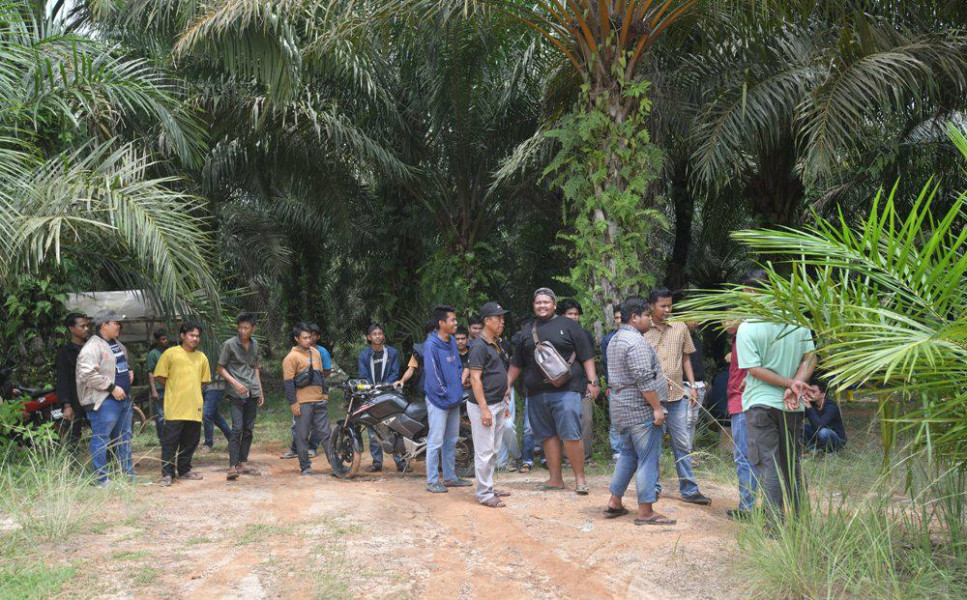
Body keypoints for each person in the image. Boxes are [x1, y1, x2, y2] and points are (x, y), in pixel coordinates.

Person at [508, 288, 597, 494]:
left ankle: (580, 479)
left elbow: (586, 355)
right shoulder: (527, 330)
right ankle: (555, 479)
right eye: (538, 302)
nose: (542, 306)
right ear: (533, 305)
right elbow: (517, 363)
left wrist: (592, 381)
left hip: (567, 389)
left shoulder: (569, 325)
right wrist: (507, 384)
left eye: (546, 302)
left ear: (554, 305)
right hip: (537, 392)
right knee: (547, 435)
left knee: (571, 434)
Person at [737, 316, 820, 521]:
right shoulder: (798, 323)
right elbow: (811, 357)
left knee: (768, 464)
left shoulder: (748, 327)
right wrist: (796, 383)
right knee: (792, 464)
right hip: (791, 405)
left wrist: (789, 383)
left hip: (760, 404)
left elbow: (754, 369)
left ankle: (774, 525)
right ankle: (802, 521)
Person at [603, 296, 675, 525]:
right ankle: (645, 510)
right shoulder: (636, 342)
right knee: (647, 458)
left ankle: (615, 501)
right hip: (640, 409)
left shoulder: (615, 339)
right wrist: (657, 408)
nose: (650, 320)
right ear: (634, 317)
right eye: (646, 315)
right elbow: (644, 381)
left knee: (628, 454)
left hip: (621, 407)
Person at [643, 288, 711, 505]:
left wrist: (692, 386)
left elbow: (686, 360)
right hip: (652, 398)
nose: (667, 310)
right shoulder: (643, 329)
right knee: (652, 445)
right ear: (652, 306)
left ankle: (689, 489)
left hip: (677, 396)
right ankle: (651, 488)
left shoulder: (680, 327)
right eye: (663, 306)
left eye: (670, 306)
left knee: (682, 444)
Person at [76, 310, 135, 486]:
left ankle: (127, 475)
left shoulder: (116, 344)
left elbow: (120, 363)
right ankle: (101, 479)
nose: (119, 326)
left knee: (124, 438)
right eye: (115, 323)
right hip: (104, 401)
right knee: (101, 438)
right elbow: (86, 373)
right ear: (104, 325)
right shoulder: (92, 347)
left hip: (123, 399)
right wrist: (111, 387)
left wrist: (129, 370)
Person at [467, 301, 514, 507]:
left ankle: (489, 486)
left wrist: (504, 395)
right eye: (498, 318)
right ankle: (484, 493)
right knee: (485, 451)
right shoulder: (478, 346)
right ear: (487, 321)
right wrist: (484, 408)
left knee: (494, 450)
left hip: (497, 403)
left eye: (502, 318)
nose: (502, 321)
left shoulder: (496, 342)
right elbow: (475, 379)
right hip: (483, 406)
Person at [154, 323, 211, 487]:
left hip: (194, 406)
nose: (195, 338)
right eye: (191, 335)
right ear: (182, 336)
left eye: (197, 336)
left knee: (191, 441)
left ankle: (185, 470)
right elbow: (159, 376)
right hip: (175, 407)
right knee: (170, 442)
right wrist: (174, 388)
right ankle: (167, 474)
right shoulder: (170, 354)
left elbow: (203, 381)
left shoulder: (201, 357)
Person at [283, 322, 342, 476]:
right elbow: (288, 383)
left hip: (319, 401)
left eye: (310, 337)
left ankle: (335, 465)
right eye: (305, 337)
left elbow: (320, 376)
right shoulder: (291, 358)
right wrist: (293, 403)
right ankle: (305, 466)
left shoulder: (316, 353)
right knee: (302, 435)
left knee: (326, 434)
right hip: (302, 403)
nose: (308, 340)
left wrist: (325, 394)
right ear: (296, 338)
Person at [423, 305, 470, 493]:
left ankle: (450, 477)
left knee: (451, 440)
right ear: (441, 323)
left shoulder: (451, 341)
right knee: (435, 441)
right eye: (453, 320)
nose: (456, 323)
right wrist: (447, 394)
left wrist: (458, 387)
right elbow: (433, 376)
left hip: (453, 399)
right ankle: (432, 480)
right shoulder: (431, 345)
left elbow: (458, 366)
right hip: (438, 401)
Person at [218, 313, 264, 481]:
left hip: (252, 390)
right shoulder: (229, 345)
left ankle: (243, 463)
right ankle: (232, 466)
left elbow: (256, 368)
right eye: (240, 328)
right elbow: (220, 368)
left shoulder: (255, 344)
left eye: (246, 328)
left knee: (249, 429)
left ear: (253, 329)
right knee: (237, 428)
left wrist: (260, 390)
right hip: (236, 393)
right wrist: (235, 383)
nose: (243, 331)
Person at [357, 323, 405, 472]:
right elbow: (363, 375)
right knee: (373, 429)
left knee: (394, 427)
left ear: (383, 335)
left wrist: (384, 385)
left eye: (380, 333)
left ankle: (400, 461)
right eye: (374, 334)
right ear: (369, 337)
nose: (378, 336)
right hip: (371, 395)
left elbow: (395, 373)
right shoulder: (364, 355)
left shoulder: (392, 353)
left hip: (389, 393)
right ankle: (377, 462)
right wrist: (372, 387)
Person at [557, 299, 597, 465]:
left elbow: (590, 359)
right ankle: (567, 459)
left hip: (582, 384)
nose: (573, 317)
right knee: (566, 420)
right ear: (561, 315)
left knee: (586, 419)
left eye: (576, 314)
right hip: (561, 385)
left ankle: (586, 457)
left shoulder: (585, 334)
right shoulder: (555, 333)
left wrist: (592, 382)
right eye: (569, 314)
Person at [55, 312, 90, 445]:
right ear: (71, 328)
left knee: (102, 432)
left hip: (94, 397)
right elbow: (62, 380)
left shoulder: (92, 346)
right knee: (74, 435)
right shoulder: (65, 352)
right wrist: (67, 405)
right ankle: (72, 464)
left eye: (87, 326)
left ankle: (108, 462)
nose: (86, 329)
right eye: (82, 326)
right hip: (75, 399)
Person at [600, 308, 623, 463]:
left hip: (635, 387)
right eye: (616, 317)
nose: (619, 320)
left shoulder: (640, 336)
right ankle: (617, 451)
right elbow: (606, 365)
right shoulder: (608, 339)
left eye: (622, 317)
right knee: (615, 421)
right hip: (615, 387)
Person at [200, 355, 231, 453]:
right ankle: (233, 439)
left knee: (207, 414)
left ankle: (208, 443)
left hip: (215, 385)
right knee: (214, 416)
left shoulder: (214, 347)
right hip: (204, 386)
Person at [685, 321, 708, 448]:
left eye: (697, 319)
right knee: (686, 420)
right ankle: (683, 453)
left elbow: (698, 362)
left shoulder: (697, 338)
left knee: (693, 419)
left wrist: (703, 380)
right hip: (685, 384)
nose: (695, 322)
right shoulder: (680, 337)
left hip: (699, 384)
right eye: (691, 319)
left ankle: (688, 451)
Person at [146, 328, 169, 443]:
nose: (165, 341)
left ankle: (170, 436)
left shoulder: (169, 351)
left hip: (170, 387)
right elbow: (150, 372)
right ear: (157, 340)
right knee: (160, 415)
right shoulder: (153, 354)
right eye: (162, 339)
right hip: (159, 388)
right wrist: (153, 389)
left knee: (170, 415)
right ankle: (162, 438)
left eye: (166, 338)